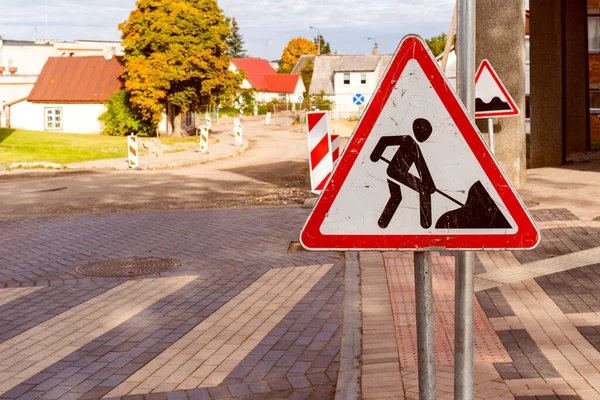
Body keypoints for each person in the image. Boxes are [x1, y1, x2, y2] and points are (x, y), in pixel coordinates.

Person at [370, 118, 436, 229]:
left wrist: (430, 184)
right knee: (423, 190)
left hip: (398, 173)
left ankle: (382, 224)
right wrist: (375, 155)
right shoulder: (407, 140)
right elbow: (384, 140)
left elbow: (421, 167)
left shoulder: (415, 146)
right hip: (395, 171)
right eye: (424, 133)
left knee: (396, 197)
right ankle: (425, 223)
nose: (425, 137)